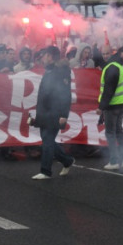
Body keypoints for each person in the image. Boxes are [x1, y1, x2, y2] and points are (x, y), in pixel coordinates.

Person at [31, 46, 74, 179]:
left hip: (55, 113)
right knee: (47, 140)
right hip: (45, 112)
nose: (42, 58)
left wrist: (63, 114)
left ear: (50, 56)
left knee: (48, 141)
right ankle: (67, 161)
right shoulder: (49, 71)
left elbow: (66, 95)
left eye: (44, 55)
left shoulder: (60, 71)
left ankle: (45, 171)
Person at [96, 46, 123, 170]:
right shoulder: (117, 66)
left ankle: (114, 161)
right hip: (122, 103)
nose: (105, 56)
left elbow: (108, 90)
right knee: (118, 131)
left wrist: (101, 107)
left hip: (113, 105)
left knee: (110, 133)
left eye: (107, 53)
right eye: (103, 53)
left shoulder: (111, 67)